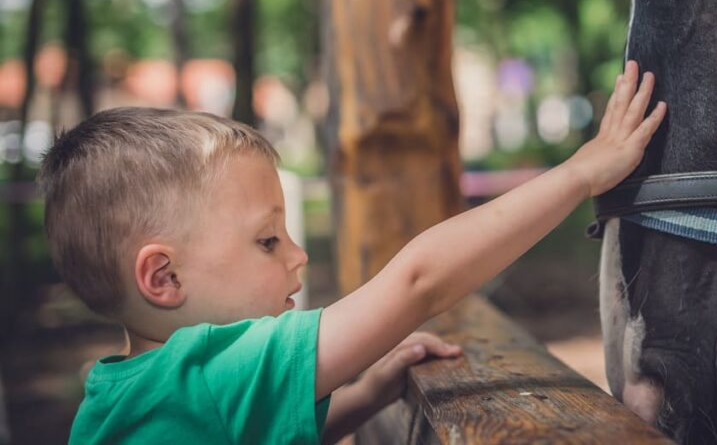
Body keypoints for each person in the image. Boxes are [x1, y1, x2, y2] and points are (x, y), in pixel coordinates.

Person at [39, 61, 665, 443]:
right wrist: (581, 175)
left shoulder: (124, 398)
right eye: (266, 240)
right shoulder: (202, 373)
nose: (297, 257)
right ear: (164, 276)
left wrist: (365, 395)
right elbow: (418, 282)